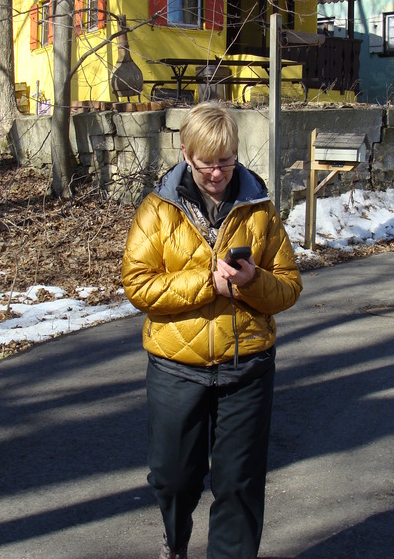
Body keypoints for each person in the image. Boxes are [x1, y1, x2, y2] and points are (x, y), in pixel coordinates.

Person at [122, 101, 302, 559]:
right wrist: (207, 282)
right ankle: (175, 538)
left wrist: (251, 282)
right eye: (206, 164)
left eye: (226, 162)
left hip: (247, 367)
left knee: (238, 485)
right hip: (175, 368)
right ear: (185, 153)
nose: (218, 173)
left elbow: (289, 286)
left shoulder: (259, 210)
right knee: (173, 477)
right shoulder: (157, 211)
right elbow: (138, 284)